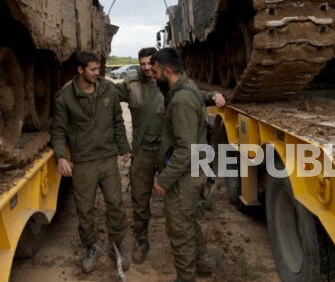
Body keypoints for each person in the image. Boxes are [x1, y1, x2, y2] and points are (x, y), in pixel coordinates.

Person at [117, 47, 225, 265]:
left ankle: (197, 253)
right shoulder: (131, 85)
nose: (147, 68)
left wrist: (214, 96)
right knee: (139, 199)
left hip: (169, 154)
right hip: (145, 152)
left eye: (151, 64)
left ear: (161, 67)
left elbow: (194, 96)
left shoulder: (169, 85)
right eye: (143, 64)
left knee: (181, 207)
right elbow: (105, 95)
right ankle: (141, 239)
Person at [51, 51, 132, 274]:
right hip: (84, 160)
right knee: (85, 209)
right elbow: (58, 130)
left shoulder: (108, 89)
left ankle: (115, 244)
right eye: (93, 70)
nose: (98, 73)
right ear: (80, 70)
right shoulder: (65, 97)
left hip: (107, 158)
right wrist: (60, 156)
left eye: (99, 69)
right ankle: (90, 246)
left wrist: (124, 147)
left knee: (115, 204)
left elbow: (117, 120)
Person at [151, 47, 216, 282]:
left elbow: (185, 148)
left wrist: (164, 180)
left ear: (167, 71)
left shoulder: (180, 100)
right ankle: (203, 260)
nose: (153, 74)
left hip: (185, 175)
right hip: (193, 169)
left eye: (156, 70)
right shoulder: (187, 87)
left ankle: (186, 277)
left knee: (179, 228)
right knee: (187, 219)